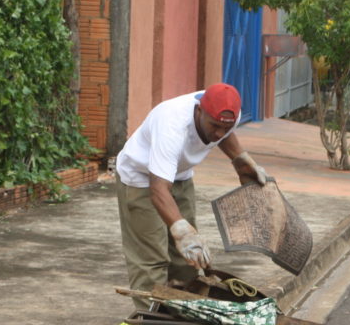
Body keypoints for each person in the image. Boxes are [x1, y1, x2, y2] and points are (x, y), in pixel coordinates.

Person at [115, 83, 269, 307]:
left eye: (224, 128)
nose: (218, 133)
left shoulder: (227, 117)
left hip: (181, 175)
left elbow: (224, 134)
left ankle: (186, 318)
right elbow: (158, 190)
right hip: (141, 178)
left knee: (188, 260)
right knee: (152, 260)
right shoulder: (171, 125)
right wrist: (181, 231)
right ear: (199, 111)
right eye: (214, 125)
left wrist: (240, 160)